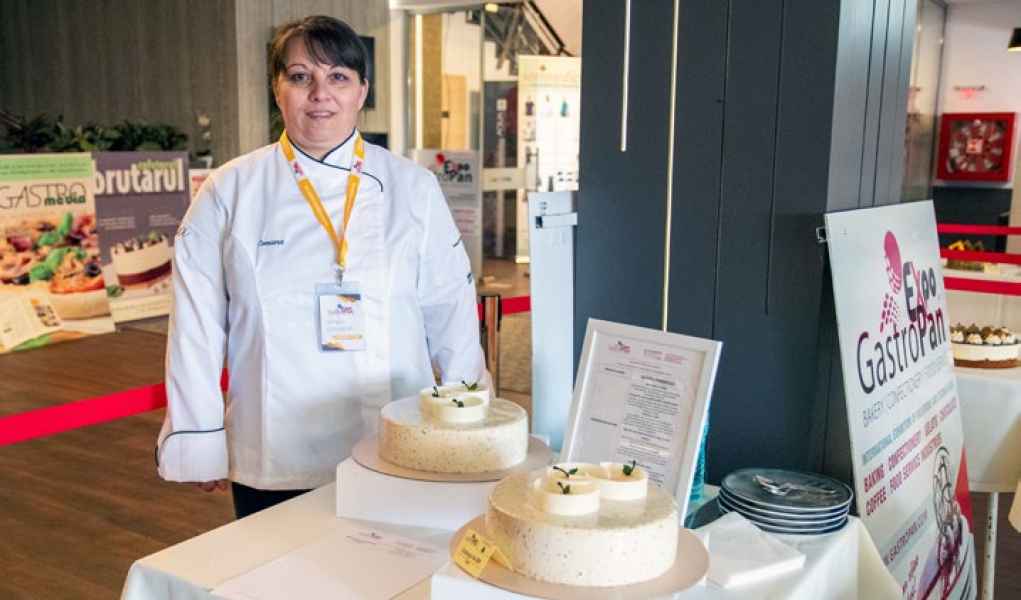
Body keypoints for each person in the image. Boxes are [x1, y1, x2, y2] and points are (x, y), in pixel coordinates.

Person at [156, 15, 485, 518]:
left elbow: (451, 312)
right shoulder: (231, 190)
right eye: (300, 76)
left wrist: (467, 423)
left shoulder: (411, 186)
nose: (320, 94)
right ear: (277, 89)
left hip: (398, 438)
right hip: (274, 450)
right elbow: (195, 326)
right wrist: (199, 437)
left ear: (361, 91)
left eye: (338, 77)